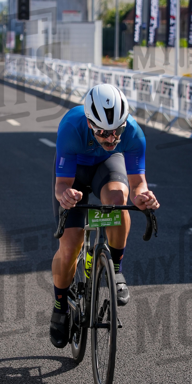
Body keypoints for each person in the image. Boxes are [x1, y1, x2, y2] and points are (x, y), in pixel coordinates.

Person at [50, 84, 159, 349]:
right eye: (102, 132)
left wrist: (144, 197)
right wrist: (66, 197)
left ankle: (117, 269)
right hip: (75, 173)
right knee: (70, 247)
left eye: (117, 131)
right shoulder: (71, 127)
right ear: (89, 122)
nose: (111, 139)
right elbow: (61, 186)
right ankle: (60, 306)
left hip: (106, 169)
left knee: (117, 201)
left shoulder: (133, 133)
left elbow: (137, 186)